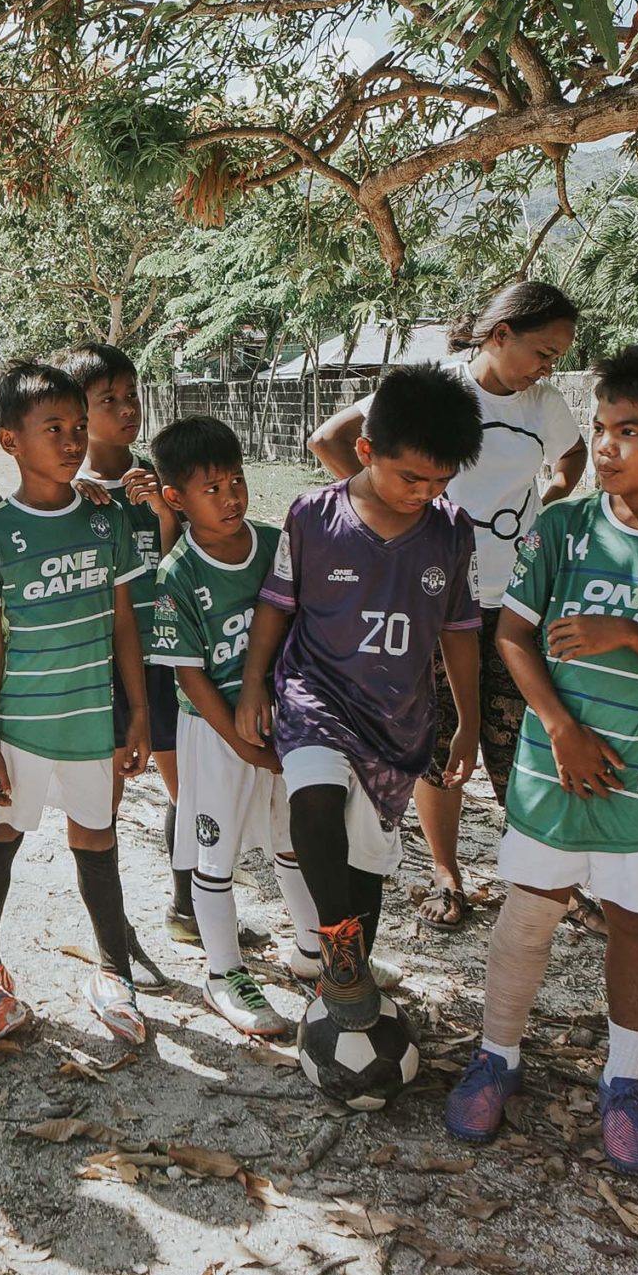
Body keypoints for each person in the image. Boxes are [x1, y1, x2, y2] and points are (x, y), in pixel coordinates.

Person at [444, 345, 638, 1173]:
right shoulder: (564, 528)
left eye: (632, 431)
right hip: (555, 766)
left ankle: (625, 1080)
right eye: (603, 428)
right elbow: (513, 635)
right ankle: (496, 1055)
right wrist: (557, 726)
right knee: (531, 908)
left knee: (634, 920)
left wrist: (630, 633)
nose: (608, 446)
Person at [307, 282, 584, 928]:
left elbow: (570, 456)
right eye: (542, 352)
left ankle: (542, 877)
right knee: (437, 743)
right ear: (499, 334)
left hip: (516, 599)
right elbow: (331, 439)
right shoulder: (434, 386)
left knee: (519, 739)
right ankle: (447, 874)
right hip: (432, 597)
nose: (549, 367)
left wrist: (558, 493)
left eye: (557, 357)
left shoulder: (542, 403)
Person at [243, 363, 485, 1048]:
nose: (424, 494)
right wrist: (256, 682)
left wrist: (464, 719)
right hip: (314, 691)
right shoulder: (314, 516)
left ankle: (348, 981)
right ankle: (341, 957)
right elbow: (276, 605)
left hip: (397, 723)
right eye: (411, 478)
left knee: (365, 860)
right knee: (313, 799)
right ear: (367, 451)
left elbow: (460, 633)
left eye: (439, 483)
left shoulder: (451, 531)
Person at [0, 361, 154, 1043]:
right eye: (53, 429)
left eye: (78, 427)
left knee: (96, 840)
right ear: (10, 439)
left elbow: (124, 622)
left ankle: (113, 971)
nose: (72, 441)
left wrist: (138, 711)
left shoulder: (107, 521)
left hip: (89, 721)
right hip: (19, 726)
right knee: (2, 836)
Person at [145, 416, 316, 1036]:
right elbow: (189, 677)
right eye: (211, 489)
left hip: (285, 729)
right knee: (215, 859)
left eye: (236, 481)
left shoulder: (276, 545)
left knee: (295, 841)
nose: (231, 497)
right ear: (175, 499)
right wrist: (239, 738)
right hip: (213, 734)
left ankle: (313, 953)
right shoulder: (177, 576)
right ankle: (224, 973)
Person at [60, 344, 189, 948]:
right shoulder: (63, 483)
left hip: (161, 649)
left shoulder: (153, 474)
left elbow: (166, 557)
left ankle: (188, 905)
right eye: (107, 400)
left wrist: (160, 506)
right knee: (101, 801)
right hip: (102, 661)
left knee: (187, 784)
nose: (126, 408)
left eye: (131, 396)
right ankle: (112, 932)